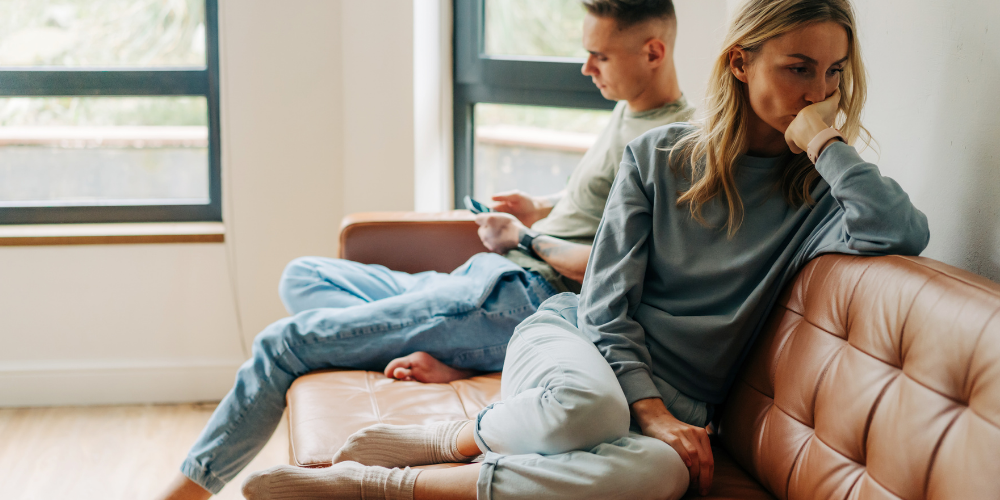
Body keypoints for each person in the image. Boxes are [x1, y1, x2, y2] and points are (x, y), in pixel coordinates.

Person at [239, 0, 930, 499]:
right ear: (741, 64)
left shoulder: (814, 194)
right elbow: (602, 306)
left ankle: (377, 487)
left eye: (835, 73)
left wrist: (826, 144)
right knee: (592, 409)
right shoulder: (658, 157)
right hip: (580, 346)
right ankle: (447, 439)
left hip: (679, 401)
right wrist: (650, 411)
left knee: (662, 475)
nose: (821, 94)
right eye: (800, 69)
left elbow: (898, 231)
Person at [156, 1, 692, 498]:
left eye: (599, 56)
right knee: (303, 275)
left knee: (283, 343)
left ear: (653, 52)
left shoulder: (671, 145)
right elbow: (599, 205)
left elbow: (613, 269)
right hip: (485, 278)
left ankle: (186, 491)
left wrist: (524, 238)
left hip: (524, 296)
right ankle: (441, 345)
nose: (586, 68)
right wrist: (540, 206)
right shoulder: (631, 107)